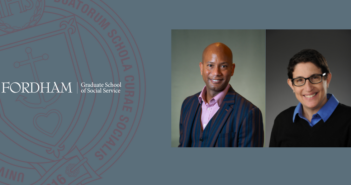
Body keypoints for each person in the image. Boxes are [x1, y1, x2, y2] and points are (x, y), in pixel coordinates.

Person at [178, 42, 264, 147]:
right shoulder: (187, 104)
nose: (216, 72)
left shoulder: (249, 113)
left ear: (232, 69)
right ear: (201, 68)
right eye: (210, 65)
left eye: (223, 66)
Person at [270, 49, 351, 147]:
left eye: (315, 77)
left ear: (327, 79)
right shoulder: (282, 121)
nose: (308, 88)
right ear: (292, 85)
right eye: (299, 80)